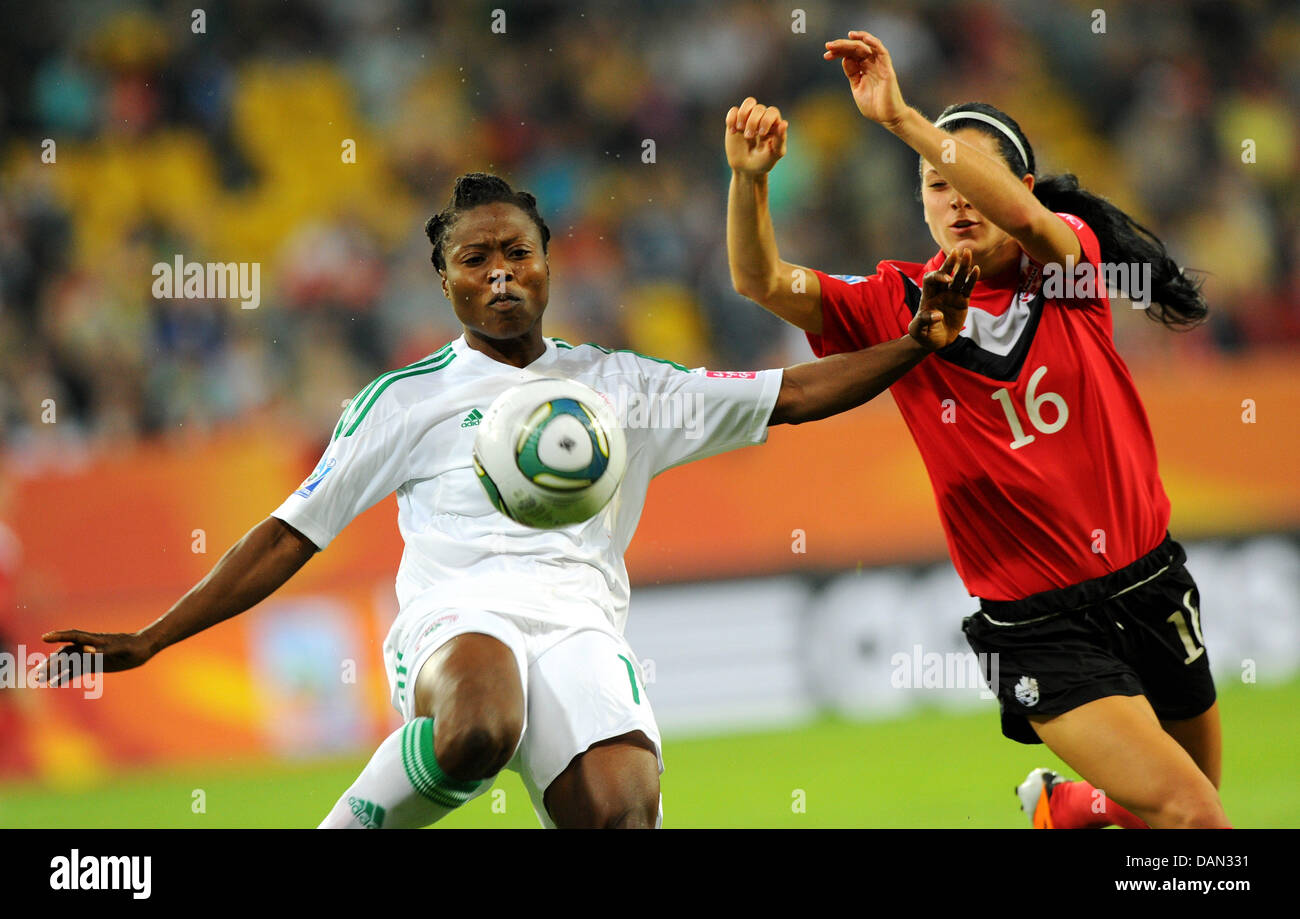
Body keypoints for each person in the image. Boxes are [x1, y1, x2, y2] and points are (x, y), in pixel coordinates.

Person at [38, 171, 971, 829]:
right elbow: (290, 534)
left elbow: (793, 396)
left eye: (515, 252)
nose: (498, 272)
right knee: (483, 722)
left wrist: (918, 343)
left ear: (547, 258)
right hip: (457, 618)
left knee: (622, 810)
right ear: (442, 279)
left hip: (581, 624)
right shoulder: (403, 402)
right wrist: (154, 636)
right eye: (474, 258)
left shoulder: (622, 383)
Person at [725, 31, 1226, 829]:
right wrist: (749, 184)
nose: (954, 200)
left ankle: (1069, 811)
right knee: (1197, 823)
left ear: (1015, 186)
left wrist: (902, 119)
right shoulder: (896, 303)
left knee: (1179, 814)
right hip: (1039, 625)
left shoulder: (1070, 266)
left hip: (1150, 580)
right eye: (933, 185)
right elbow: (759, 280)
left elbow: (1028, 218)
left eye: (966, 180)